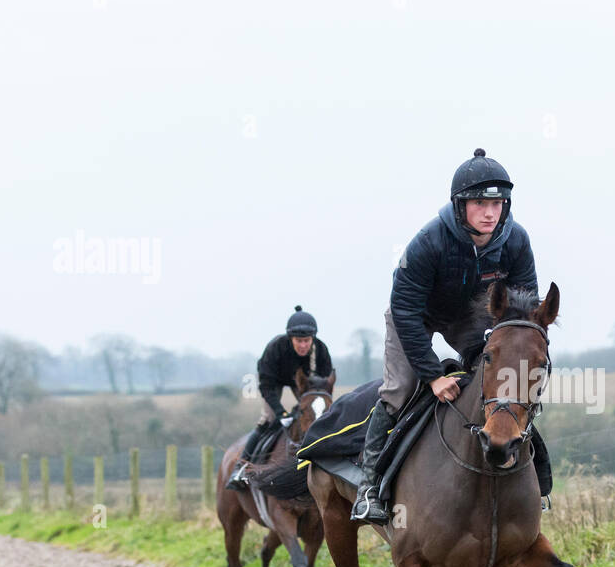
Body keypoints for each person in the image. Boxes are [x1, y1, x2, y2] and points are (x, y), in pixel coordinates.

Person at [351, 148, 545, 523]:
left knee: (505, 384)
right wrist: (433, 376)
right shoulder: (429, 241)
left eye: (498, 204)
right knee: (398, 390)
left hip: (471, 318)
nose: (491, 213)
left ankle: (533, 480)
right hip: (415, 316)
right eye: (479, 203)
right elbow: (405, 309)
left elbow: (526, 308)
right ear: (460, 206)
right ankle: (369, 487)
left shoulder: (517, 240)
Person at [226, 306, 333, 490]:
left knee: (314, 415)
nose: (303, 345)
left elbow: (324, 386)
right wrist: (281, 413)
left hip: (305, 383)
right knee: (268, 420)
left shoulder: (321, 350)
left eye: (307, 341)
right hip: (274, 382)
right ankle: (241, 467)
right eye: (298, 341)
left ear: (312, 339)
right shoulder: (275, 348)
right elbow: (266, 386)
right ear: (290, 338)